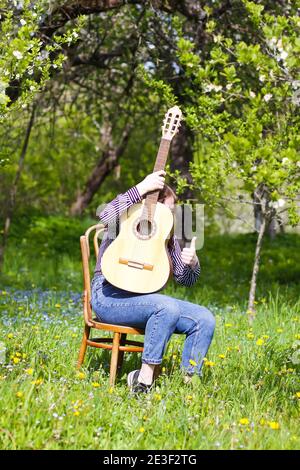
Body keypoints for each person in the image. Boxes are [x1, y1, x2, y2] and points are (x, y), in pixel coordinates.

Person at [91, 170, 216, 393]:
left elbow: (184, 279)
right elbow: (104, 215)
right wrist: (141, 187)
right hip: (109, 297)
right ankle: (143, 381)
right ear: (151, 206)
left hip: (145, 301)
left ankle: (190, 384)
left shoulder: (165, 233)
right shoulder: (126, 219)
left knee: (204, 317)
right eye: (166, 209)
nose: (170, 215)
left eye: (172, 211)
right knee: (164, 306)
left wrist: (193, 263)